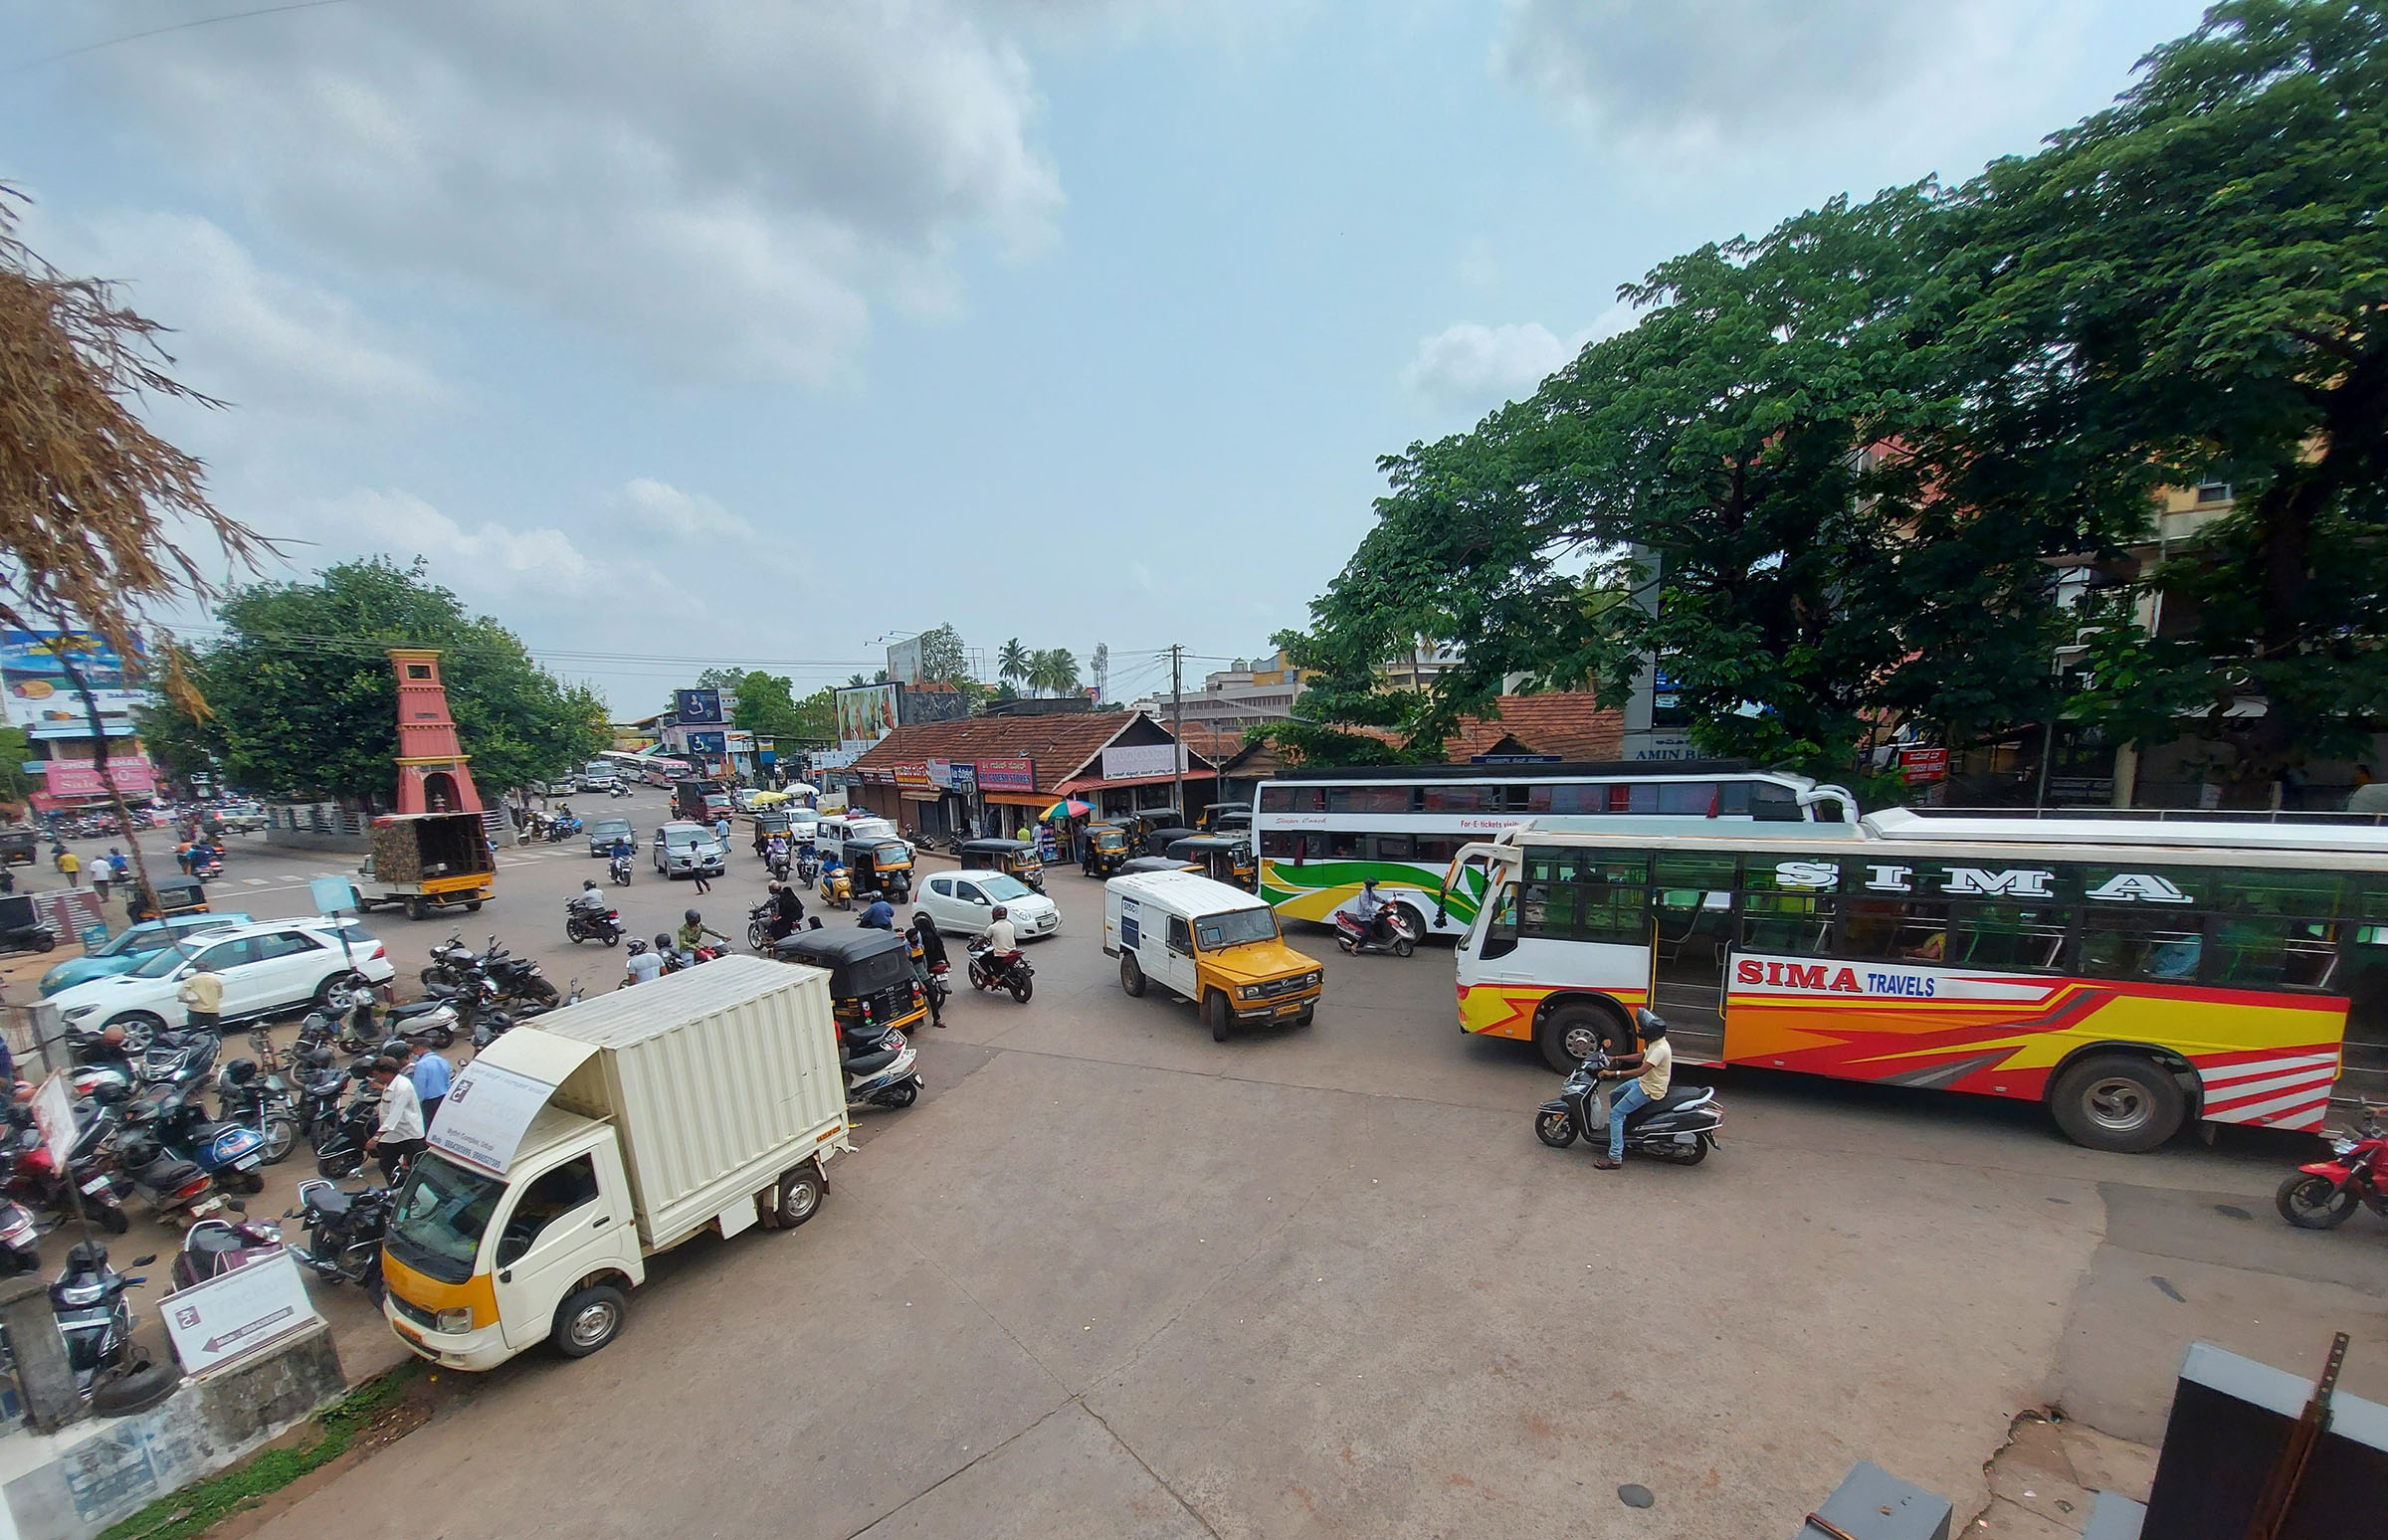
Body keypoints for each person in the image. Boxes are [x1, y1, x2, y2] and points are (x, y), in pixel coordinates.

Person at [1592, 1015, 1674, 1171]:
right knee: (1614, 1094)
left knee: (1615, 1114)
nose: (1641, 1031)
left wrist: (1613, 1073)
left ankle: (1615, 1157)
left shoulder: (1659, 1049)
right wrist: (1616, 1057)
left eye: (1644, 1029)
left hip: (1649, 1088)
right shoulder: (1655, 1043)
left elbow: (1640, 1070)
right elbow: (1641, 1056)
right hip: (1645, 1081)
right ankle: (1622, 1134)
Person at [364, 1055, 426, 1183]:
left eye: (378, 1074)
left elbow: (394, 1116)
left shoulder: (402, 1086)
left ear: (387, 1073)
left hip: (409, 1135)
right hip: (391, 1136)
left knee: (419, 1168)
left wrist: (376, 1138)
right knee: (387, 1166)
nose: (377, 1077)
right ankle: (395, 1190)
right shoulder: (390, 1084)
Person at [407, 1042, 453, 1127]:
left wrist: (417, 1103)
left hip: (429, 1102)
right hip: (444, 1096)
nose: (414, 1055)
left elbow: (420, 1086)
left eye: (414, 1052)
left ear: (418, 1048)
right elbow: (448, 1079)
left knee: (429, 1125)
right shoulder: (442, 1060)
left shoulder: (421, 1064)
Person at [176, 960, 225, 1033]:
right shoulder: (215, 980)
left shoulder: (190, 980)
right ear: (207, 968)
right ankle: (217, 1043)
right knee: (215, 1029)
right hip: (212, 1009)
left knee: (194, 1031)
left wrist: (188, 1000)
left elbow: (180, 994)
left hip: (195, 1009)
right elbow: (220, 995)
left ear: (196, 969)